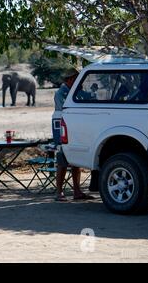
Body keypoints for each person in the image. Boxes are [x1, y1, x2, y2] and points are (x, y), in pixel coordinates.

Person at [52, 68, 94, 202]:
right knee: (62, 159)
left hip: (71, 125)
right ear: (70, 79)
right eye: (77, 79)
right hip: (62, 125)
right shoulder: (61, 93)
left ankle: (77, 191)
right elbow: (67, 108)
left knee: (75, 159)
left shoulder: (74, 91)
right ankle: (59, 192)